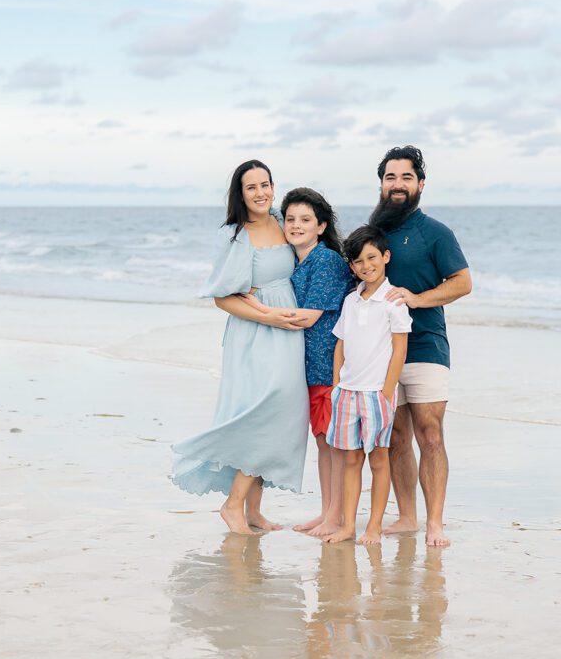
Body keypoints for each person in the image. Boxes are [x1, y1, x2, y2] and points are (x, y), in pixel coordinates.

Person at [171, 160, 309, 536]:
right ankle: (232, 505)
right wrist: (269, 316)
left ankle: (254, 511)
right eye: (252, 187)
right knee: (262, 411)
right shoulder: (236, 235)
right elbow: (222, 298)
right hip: (255, 333)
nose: (261, 193)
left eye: (266, 184)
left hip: (287, 328)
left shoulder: (283, 221)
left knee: (279, 412)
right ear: (241, 194)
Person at [369, 145, 472, 547]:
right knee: (396, 436)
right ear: (382, 184)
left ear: (421, 184)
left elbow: (462, 283)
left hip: (427, 345)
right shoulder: (373, 234)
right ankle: (407, 517)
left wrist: (417, 298)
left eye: (406, 177)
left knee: (430, 434)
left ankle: (435, 523)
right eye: (390, 177)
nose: (398, 184)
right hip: (380, 351)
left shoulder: (436, 233)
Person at [239, 188, 352, 537]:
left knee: (333, 444)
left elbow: (308, 317)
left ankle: (335, 516)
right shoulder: (295, 261)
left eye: (305, 219)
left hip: (330, 367)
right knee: (323, 442)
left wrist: (259, 308)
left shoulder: (326, 260)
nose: (296, 225)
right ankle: (327, 512)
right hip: (306, 368)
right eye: (290, 219)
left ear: (321, 226)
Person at [323, 226, 411, 545]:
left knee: (378, 459)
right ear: (352, 266)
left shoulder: (394, 301)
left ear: (386, 256)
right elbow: (341, 343)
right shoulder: (351, 301)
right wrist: (337, 385)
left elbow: (400, 350)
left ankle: (373, 527)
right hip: (347, 393)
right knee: (350, 460)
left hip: (376, 394)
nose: (366, 266)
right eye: (358, 261)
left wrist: (387, 392)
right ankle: (348, 526)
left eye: (372, 257)